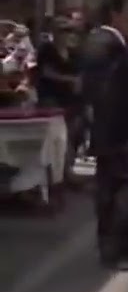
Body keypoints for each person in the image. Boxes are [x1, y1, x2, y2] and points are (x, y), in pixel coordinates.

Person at [79, 0, 128, 270]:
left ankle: (115, 247)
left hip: (110, 133)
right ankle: (118, 248)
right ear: (115, 14)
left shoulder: (101, 42)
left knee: (111, 190)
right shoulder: (107, 46)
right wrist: (127, 137)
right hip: (122, 135)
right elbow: (109, 96)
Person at [36, 20, 84, 185]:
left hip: (69, 99)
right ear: (55, 32)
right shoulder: (47, 50)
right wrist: (70, 80)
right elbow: (46, 72)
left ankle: (66, 170)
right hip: (51, 98)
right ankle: (63, 174)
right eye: (63, 31)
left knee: (71, 133)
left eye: (69, 31)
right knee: (58, 135)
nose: (67, 35)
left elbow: (79, 73)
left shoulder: (72, 52)